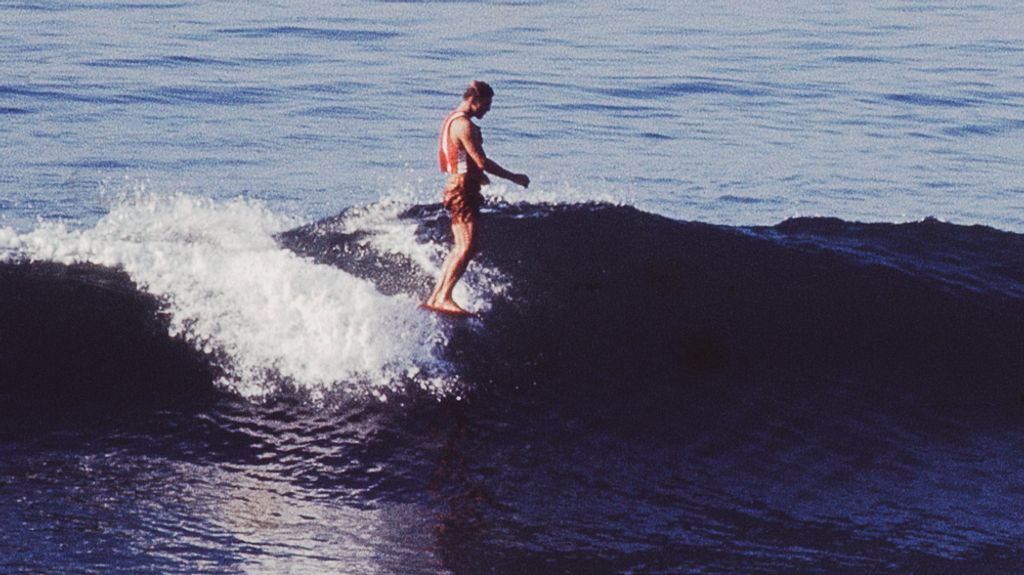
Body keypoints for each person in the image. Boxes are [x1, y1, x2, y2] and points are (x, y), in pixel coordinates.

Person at [422, 81, 530, 316]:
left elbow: (464, 160)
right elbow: (481, 161)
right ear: (475, 100)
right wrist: (514, 177)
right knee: (467, 246)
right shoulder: (464, 125)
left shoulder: (452, 119)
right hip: (462, 190)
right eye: (486, 105)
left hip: (459, 187)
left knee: (462, 246)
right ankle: (444, 296)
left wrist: (476, 176)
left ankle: (437, 296)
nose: (487, 111)